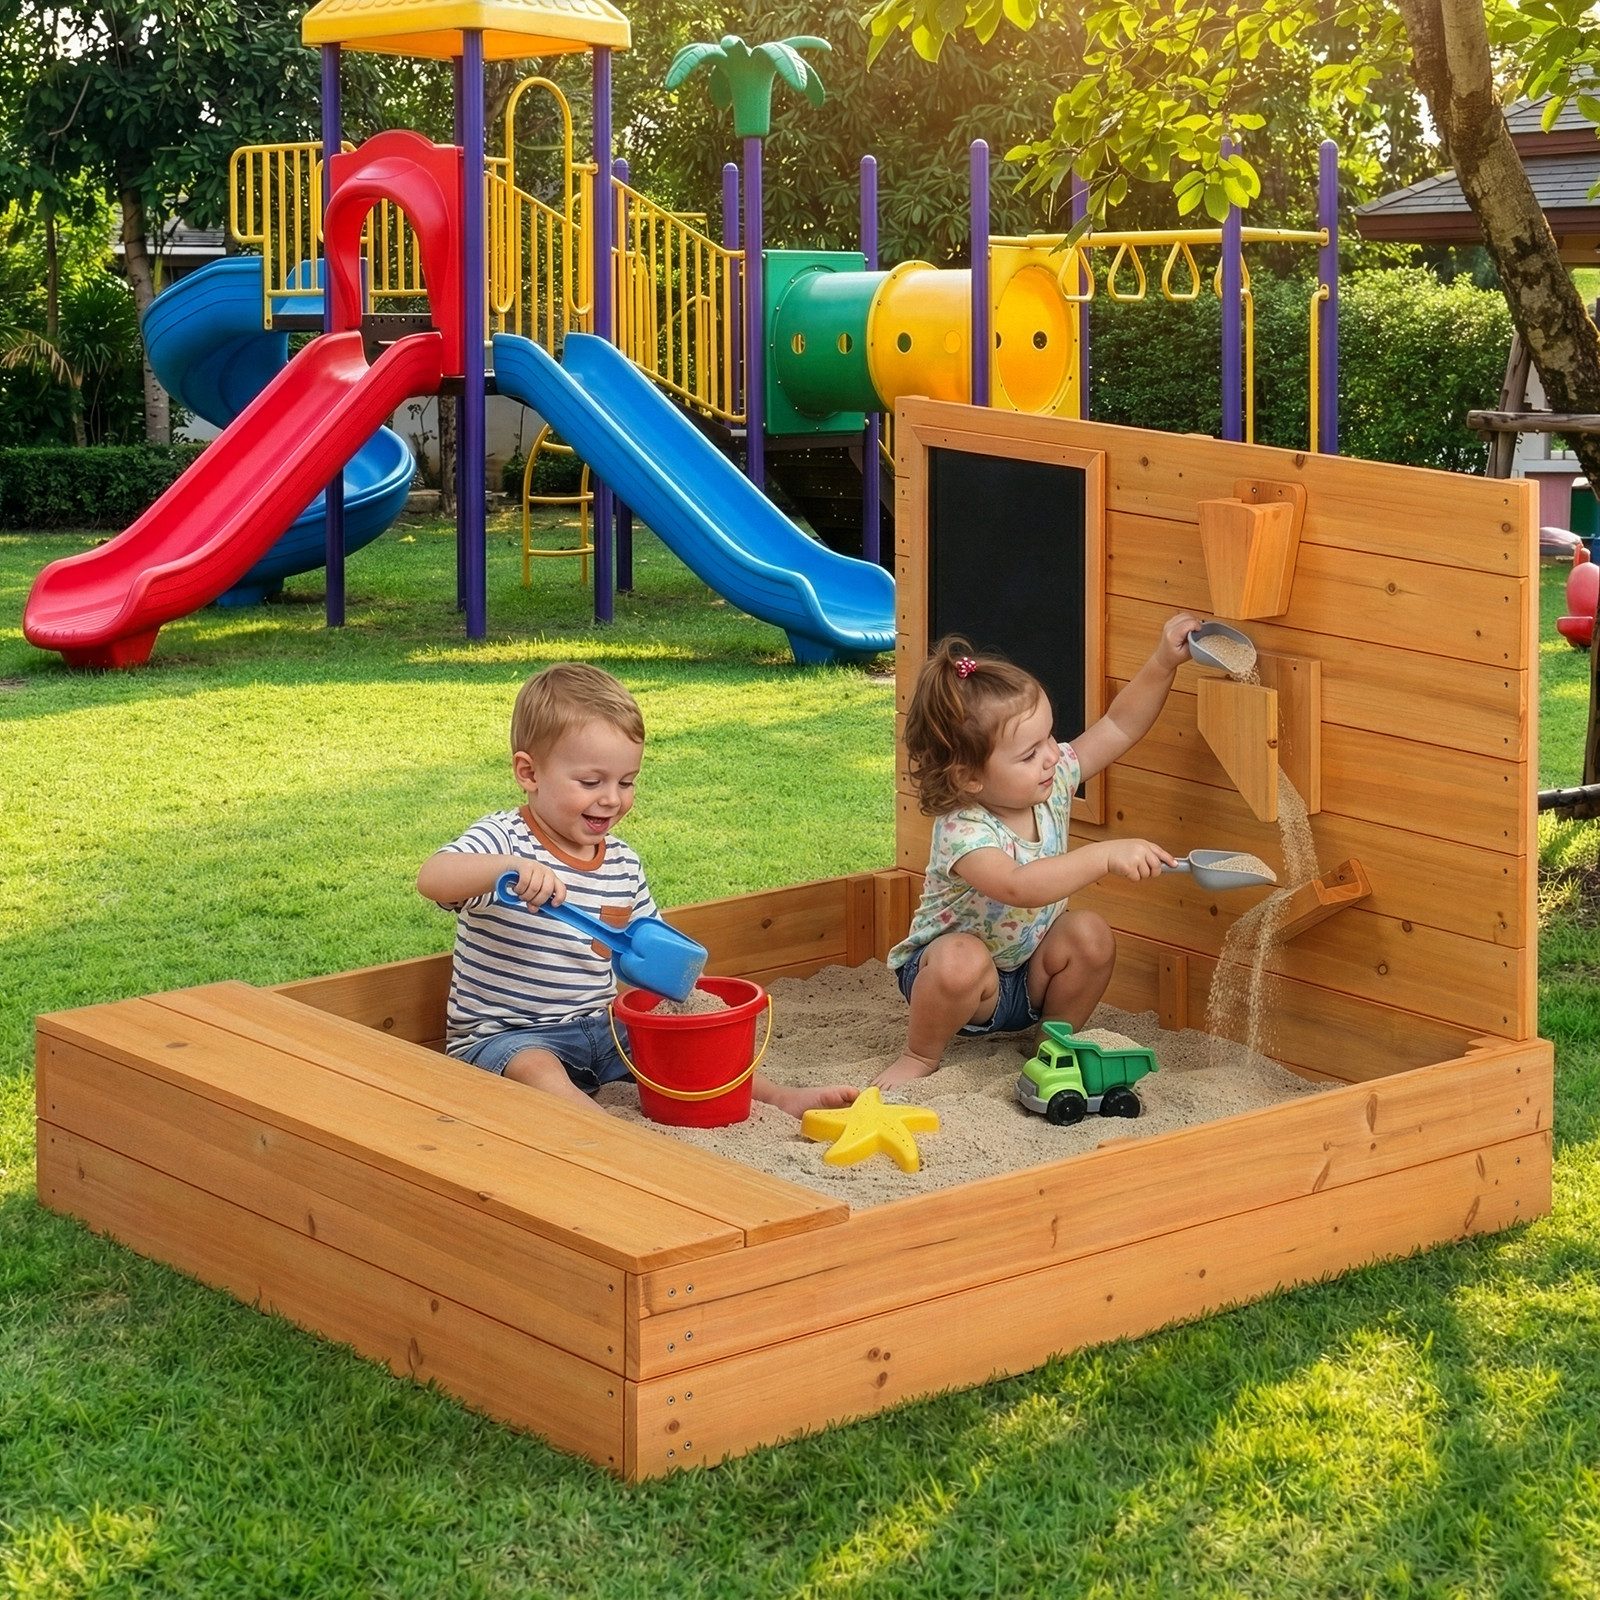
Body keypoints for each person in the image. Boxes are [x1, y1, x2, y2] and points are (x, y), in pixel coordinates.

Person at [418, 662, 857, 1117]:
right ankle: (596, 1125)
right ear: (529, 773)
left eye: (626, 782)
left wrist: (679, 994)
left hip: (603, 1028)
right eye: (591, 782)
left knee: (677, 1037)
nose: (612, 798)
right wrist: (505, 868)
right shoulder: (505, 840)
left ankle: (776, 1095)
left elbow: (647, 950)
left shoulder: (622, 862)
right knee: (537, 1068)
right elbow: (433, 877)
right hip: (507, 1038)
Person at [876, 618, 1200, 1089]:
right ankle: (919, 1054)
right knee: (961, 960)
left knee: (1090, 935)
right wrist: (1104, 855)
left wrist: (1163, 662)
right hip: (960, 985)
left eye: (1049, 738)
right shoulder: (963, 828)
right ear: (970, 778)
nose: (1051, 756)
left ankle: (1052, 1043)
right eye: (1029, 754)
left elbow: (1118, 725)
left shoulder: (1053, 781)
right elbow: (1019, 887)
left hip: (1029, 973)